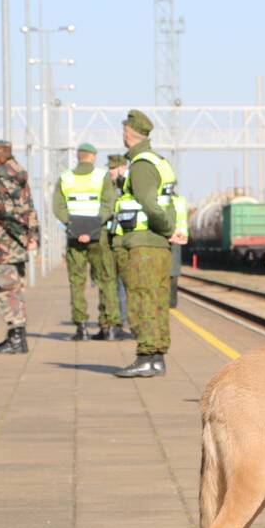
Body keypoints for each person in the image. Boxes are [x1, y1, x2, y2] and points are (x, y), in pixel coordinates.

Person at [112, 110, 183, 378]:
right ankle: (155, 358)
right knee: (156, 299)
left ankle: (145, 356)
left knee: (142, 299)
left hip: (142, 244)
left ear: (128, 133)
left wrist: (165, 228)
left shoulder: (141, 164)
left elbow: (149, 204)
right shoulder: (158, 161)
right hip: (154, 244)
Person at [53, 142, 121, 341]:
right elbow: (110, 204)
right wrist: (93, 226)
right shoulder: (102, 176)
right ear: (92, 157)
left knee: (77, 282)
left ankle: (81, 328)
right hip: (98, 236)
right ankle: (107, 327)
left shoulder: (65, 178)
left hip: (74, 236)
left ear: (78, 156)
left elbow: (58, 207)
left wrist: (74, 226)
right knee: (106, 280)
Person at [0, 139, 39, 354]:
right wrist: (33, 236)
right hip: (16, 246)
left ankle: (15, 339)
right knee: (16, 290)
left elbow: (3, 213)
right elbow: (30, 208)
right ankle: (18, 339)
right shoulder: (19, 177)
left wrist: (23, 237)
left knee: (6, 292)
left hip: (3, 244)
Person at [106, 154, 130, 331]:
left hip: (127, 242)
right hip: (114, 241)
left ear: (122, 167)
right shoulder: (112, 187)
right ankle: (119, 321)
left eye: (112, 169)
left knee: (125, 285)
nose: (110, 172)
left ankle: (125, 321)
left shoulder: (129, 185)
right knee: (116, 284)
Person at [168, 194, 189, 309]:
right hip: (178, 238)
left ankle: (167, 300)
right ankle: (172, 301)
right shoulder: (181, 200)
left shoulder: (160, 198)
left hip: (165, 237)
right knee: (174, 271)